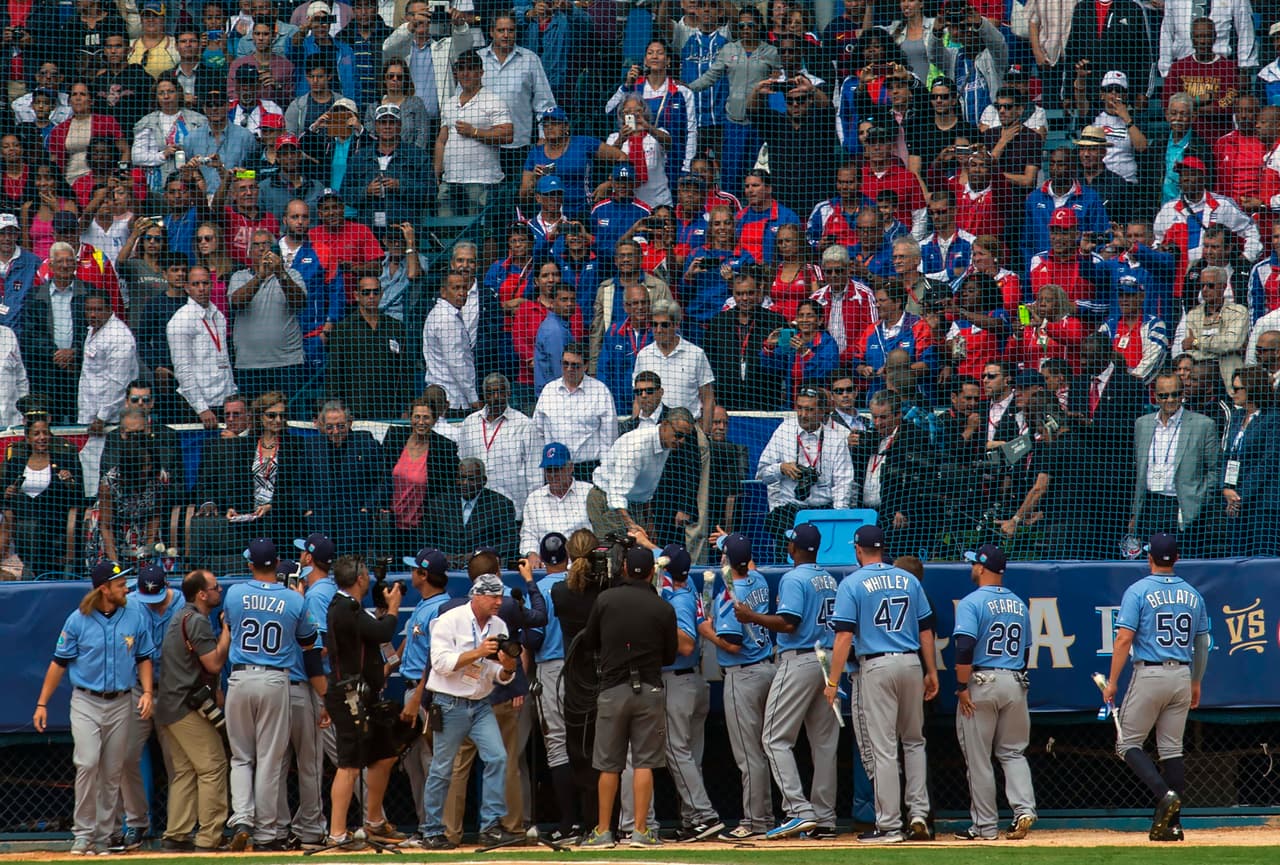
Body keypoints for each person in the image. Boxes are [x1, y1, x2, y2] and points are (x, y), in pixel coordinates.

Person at [824, 523, 937, 844]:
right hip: (911, 662)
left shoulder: (853, 582)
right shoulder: (907, 579)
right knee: (914, 742)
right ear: (882, 549)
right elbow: (926, 629)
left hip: (877, 665)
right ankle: (918, 814)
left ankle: (889, 825)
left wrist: (832, 680)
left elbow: (844, 635)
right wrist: (931, 671)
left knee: (885, 748)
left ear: (858, 549)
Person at [728, 521, 838, 838]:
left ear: (795, 547)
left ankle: (798, 810)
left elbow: (789, 623)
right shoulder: (827, 578)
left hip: (801, 658)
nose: (787, 545)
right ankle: (825, 818)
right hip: (826, 659)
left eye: (790, 542)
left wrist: (751, 617)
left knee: (774, 738)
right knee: (824, 743)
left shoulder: (794, 577)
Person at [1103, 534, 1211, 842]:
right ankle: (1173, 825)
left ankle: (1165, 795)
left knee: (1127, 745)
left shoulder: (1138, 590)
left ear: (1149, 558)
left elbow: (1124, 638)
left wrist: (1112, 682)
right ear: (1176, 559)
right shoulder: (1193, 594)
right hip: (1181, 674)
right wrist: (1196, 681)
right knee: (1171, 750)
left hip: (1150, 673)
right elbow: (1202, 643)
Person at [577, 547, 678, 849]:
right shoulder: (663, 607)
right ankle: (640, 831)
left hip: (612, 689)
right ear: (651, 572)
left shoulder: (605, 600)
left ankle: (604, 831)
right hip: (649, 689)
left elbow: (589, 641)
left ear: (623, 569)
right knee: (644, 763)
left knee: (609, 765)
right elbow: (670, 655)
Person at [223, 538, 318, 851]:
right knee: (268, 760)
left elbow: (231, 625)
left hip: (239, 678)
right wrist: (299, 600)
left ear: (251, 564)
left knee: (241, 757)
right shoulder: (293, 599)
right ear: (277, 565)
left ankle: (241, 818)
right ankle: (266, 835)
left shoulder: (234, 593)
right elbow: (308, 641)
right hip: (276, 680)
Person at [418, 573, 521, 850]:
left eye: (501, 596)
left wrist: (509, 666)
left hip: (481, 703)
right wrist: (477, 652)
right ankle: (432, 830)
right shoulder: (448, 621)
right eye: (493, 597)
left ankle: (490, 826)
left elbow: (500, 675)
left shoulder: (499, 624)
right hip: (449, 703)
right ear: (477, 596)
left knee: (498, 757)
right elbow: (440, 664)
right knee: (442, 769)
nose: (499, 602)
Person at [950, 543, 1036, 841]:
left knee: (979, 758)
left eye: (974, 563)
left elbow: (964, 648)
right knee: (1013, 753)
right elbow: (1026, 654)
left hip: (982, 683)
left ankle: (985, 827)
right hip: (1014, 682)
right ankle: (1023, 809)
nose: (972, 567)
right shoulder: (1018, 604)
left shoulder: (973, 602)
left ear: (982, 568)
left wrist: (961, 687)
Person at [323, 555, 407, 848]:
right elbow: (383, 632)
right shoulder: (345, 608)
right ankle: (337, 834)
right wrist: (394, 608)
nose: (370, 577)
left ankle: (374, 821)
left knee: (384, 755)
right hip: (349, 696)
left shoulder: (351, 608)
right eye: (367, 574)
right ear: (359, 579)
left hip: (365, 695)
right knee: (349, 765)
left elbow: (372, 630)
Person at [154, 569, 230, 853]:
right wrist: (227, 632)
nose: (219, 591)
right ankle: (209, 837)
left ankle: (177, 834)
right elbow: (213, 664)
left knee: (185, 771)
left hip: (170, 704)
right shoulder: (196, 621)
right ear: (201, 593)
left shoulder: (181, 616)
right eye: (215, 587)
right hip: (184, 705)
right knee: (213, 766)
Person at [395, 547, 452, 839]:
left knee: (431, 764)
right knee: (415, 767)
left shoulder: (440, 610)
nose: (410, 573)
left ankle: (436, 828)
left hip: (425, 695)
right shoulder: (423, 603)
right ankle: (424, 826)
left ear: (424, 574)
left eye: (414, 569)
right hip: (412, 692)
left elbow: (434, 661)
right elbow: (405, 652)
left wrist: (417, 697)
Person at [756, 386, 854, 553]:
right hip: (789, 514)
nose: (802, 415)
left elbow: (843, 484)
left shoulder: (836, 439)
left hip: (823, 513)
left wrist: (836, 521)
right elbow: (762, 475)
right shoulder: (783, 431)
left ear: (822, 412)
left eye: (809, 409)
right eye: (799, 408)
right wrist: (781, 468)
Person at [1131, 374, 1221, 555]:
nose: (1170, 400)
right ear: (1155, 396)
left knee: (1184, 562)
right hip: (1150, 505)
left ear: (1183, 395)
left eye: (1175, 394)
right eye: (1164, 395)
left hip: (1184, 505)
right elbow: (1139, 468)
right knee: (1152, 563)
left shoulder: (1203, 425)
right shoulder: (1142, 424)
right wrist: (1135, 511)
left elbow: (1215, 468)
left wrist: (1200, 499)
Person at [586, 406, 696, 539]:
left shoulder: (666, 443)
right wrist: (631, 526)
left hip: (632, 504)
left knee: (641, 553)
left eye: (685, 437)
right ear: (665, 424)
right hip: (607, 501)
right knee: (617, 553)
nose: (681, 441)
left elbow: (645, 490)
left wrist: (649, 525)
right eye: (678, 435)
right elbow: (616, 494)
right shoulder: (637, 447)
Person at [228, 230, 307, 400]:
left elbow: (299, 302)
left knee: (288, 417)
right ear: (249, 252)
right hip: (249, 365)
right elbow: (237, 302)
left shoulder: (292, 275)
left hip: (287, 363)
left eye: (266, 244)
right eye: (256, 245)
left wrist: (280, 273)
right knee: (255, 419)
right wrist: (261, 276)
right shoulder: (238, 277)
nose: (262, 249)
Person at [298, 400, 383, 556]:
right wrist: (307, 510)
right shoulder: (311, 445)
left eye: (341, 426)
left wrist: (368, 508)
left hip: (355, 523)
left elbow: (380, 480)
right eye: (330, 427)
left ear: (350, 423)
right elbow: (299, 482)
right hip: (320, 521)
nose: (335, 431)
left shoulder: (366, 443)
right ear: (322, 425)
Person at [326, 274, 412, 419]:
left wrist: (406, 406)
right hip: (355, 410)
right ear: (357, 295)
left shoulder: (395, 327)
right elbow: (334, 374)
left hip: (389, 409)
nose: (371, 296)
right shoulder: (343, 330)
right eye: (366, 292)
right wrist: (339, 410)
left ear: (382, 294)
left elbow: (404, 370)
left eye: (375, 292)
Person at [532, 343, 618, 481]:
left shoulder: (601, 392)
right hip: (554, 468)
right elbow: (537, 432)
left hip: (588, 470)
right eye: (565, 364)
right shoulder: (548, 391)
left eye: (575, 365)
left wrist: (605, 473)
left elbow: (609, 439)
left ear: (586, 366)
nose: (569, 369)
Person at [166, 265, 236, 428]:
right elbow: (182, 370)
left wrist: (232, 393)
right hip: (197, 405)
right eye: (196, 284)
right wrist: (201, 408)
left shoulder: (218, 315)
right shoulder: (181, 320)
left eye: (205, 283)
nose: (201, 288)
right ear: (187, 288)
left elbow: (223, 358)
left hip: (224, 400)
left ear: (211, 284)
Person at [1220, 366, 1280, 556]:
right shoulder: (1237, 417)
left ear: (1252, 389)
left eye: (1238, 389)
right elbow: (1228, 455)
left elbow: (1268, 462)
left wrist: (1240, 495)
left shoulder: (1274, 419)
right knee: (1237, 555)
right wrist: (1226, 488)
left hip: (1263, 504)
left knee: (1261, 556)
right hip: (1236, 503)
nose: (1233, 393)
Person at [519, 443, 593, 565]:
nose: (553, 475)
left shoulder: (589, 493)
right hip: (547, 568)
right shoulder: (534, 499)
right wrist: (531, 553)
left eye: (558, 469)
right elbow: (528, 534)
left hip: (583, 566)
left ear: (570, 467)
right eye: (549, 470)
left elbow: (600, 531)